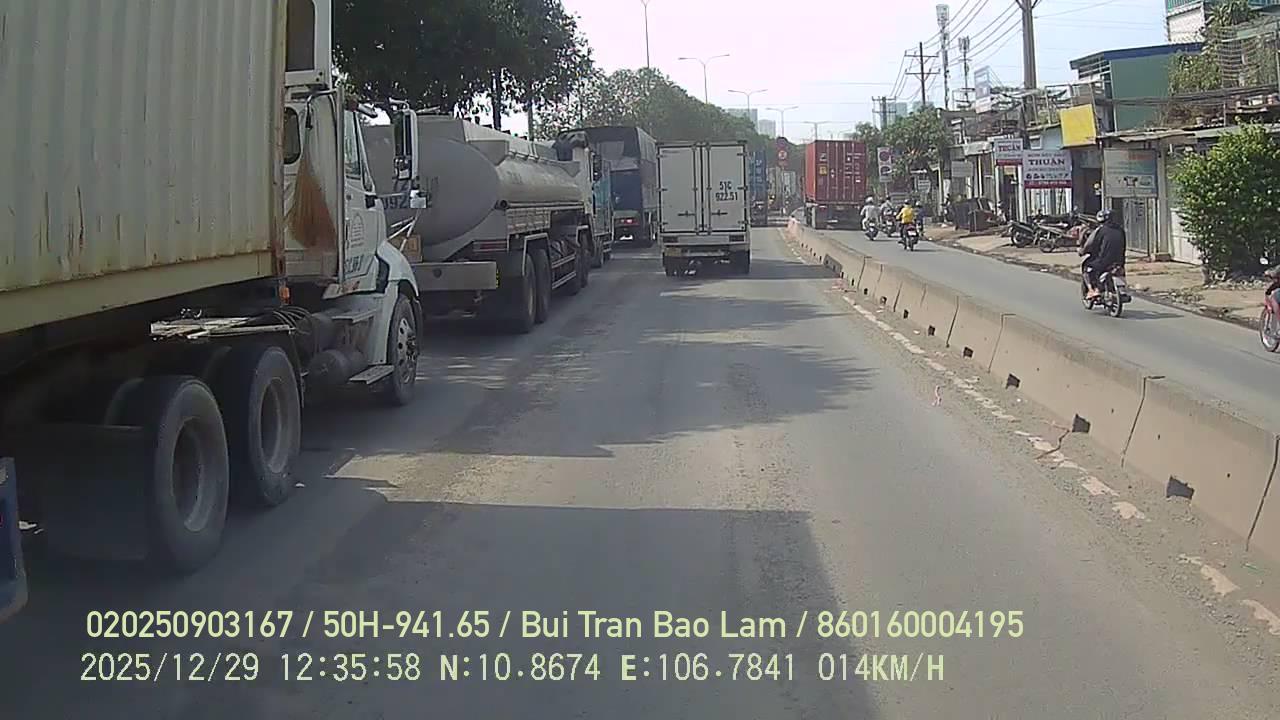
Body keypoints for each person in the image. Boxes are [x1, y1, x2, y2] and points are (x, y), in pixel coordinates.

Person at [1079, 209, 1126, 298]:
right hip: (1120, 261)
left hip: (1103, 261)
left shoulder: (1100, 230)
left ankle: (1092, 290)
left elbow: (1090, 244)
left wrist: (1082, 251)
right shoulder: (1120, 230)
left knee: (1087, 267)